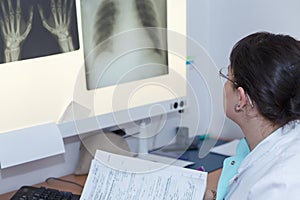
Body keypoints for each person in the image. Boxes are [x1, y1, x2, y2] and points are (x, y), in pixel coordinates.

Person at [205, 32, 300, 199]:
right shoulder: (287, 137)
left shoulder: (274, 187)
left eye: (228, 76)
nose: (225, 85)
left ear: (241, 99)